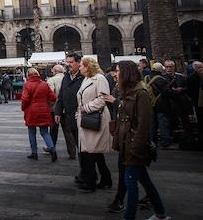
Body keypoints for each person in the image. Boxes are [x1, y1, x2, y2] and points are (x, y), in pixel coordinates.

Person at [111, 60, 170, 220]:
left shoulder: (140, 93)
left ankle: (129, 217)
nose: (114, 74)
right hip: (126, 144)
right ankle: (161, 214)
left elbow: (144, 125)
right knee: (145, 181)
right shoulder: (126, 92)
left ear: (126, 73)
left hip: (133, 146)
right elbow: (123, 119)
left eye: (117, 71)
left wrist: (135, 148)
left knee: (131, 184)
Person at [76, 57, 113, 193]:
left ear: (87, 66)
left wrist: (87, 108)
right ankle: (106, 178)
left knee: (90, 151)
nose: (79, 67)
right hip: (87, 118)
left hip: (95, 118)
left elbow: (104, 98)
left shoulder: (100, 78)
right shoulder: (86, 79)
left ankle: (91, 182)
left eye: (81, 65)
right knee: (93, 151)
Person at [21, 68, 58, 161]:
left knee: (32, 132)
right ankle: (52, 149)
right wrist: (47, 104)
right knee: (45, 132)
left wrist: (23, 107)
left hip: (31, 111)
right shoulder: (44, 84)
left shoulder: (27, 85)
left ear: (28, 75)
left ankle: (34, 153)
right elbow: (53, 97)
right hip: (44, 110)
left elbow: (25, 99)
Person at [55, 53, 83, 161]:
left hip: (81, 115)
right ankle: (85, 171)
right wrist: (58, 112)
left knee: (84, 147)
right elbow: (61, 95)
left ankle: (87, 172)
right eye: (67, 62)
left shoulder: (83, 76)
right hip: (70, 116)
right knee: (77, 143)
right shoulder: (66, 76)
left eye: (71, 62)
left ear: (78, 62)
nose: (68, 64)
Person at [46, 64, 65, 150]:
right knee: (68, 131)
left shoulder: (51, 80)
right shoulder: (68, 79)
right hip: (67, 109)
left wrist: (49, 105)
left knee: (53, 130)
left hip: (54, 108)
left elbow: (50, 94)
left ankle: (52, 147)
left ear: (55, 71)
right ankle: (72, 151)